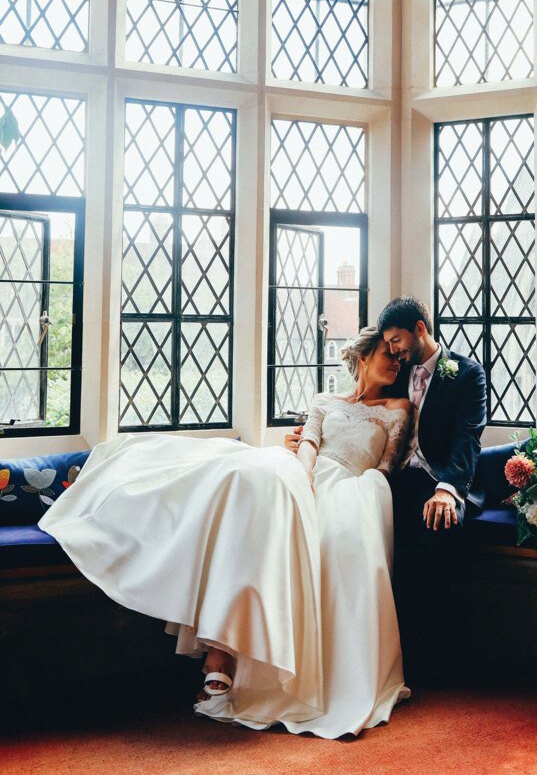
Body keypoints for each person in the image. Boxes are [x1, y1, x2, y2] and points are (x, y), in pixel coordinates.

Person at [39, 328, 413, 739]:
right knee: (237, 477)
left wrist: (347, 496)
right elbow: (309, 443)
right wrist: (303, 476)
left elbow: (386, 466)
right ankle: (218, 652)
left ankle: (223, 658)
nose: (396, 363)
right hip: (299, 473)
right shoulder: (325, 401)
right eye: (387, 354)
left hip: (347, 487)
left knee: (262, 512)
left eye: (398, 357)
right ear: (362, 358)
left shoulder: (397, 407)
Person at [285, 297, 487, 684]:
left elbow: (467, 441)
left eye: (397, 341)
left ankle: (422, 656)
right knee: (352, 529)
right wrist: (306, 436)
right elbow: (357, 402)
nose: (393, 351)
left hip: (438, 480)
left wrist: (447, 490)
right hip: (389, 479)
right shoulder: (395, 366)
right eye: (389, 346)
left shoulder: (466, 374)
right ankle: (362, 652)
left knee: (440, 525)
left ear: (420, 330)